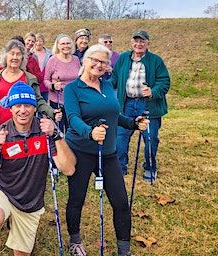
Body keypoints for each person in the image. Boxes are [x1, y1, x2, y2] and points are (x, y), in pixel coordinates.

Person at [63, 44, 149, 256]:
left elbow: (113, 114)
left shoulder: (108, 85)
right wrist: (90, 132)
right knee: (77, 199)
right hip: (81, 151)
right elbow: (72, 118)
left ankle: (124, 250)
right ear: (85, 60)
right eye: (95, 60)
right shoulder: (72, 89)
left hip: (108, 153)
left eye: (104, 62)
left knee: (121, 202)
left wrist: (133, 123)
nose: (99, 65)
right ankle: (75, 241)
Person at [0, 81, 61, 256]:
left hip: (30, 200)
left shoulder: (45, 131)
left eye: (27, 105)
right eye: (17, 105)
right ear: (10, 108)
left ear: (34, 108)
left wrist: (56, 134)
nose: (22, 110)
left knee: (21, 253)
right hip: (2, 190)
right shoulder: (0, 133)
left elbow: (68, 168)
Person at [112, 30, 170, 180]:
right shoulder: (124, 57)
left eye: (142, 41)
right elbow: (115, 78)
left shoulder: (155, 60)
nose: (139, 44)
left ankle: (150, 168)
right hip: (126, 104)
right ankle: (120, 167)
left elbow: (164, 82)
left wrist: (152, 91)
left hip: (147, 105)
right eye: (136, 41)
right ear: (132, 43)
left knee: (150, 137)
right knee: (121, 137)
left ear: (147, 43)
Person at [0, 39, 61, 130]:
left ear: (22, 58)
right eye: (12, 53)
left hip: (24, 128)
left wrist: (52, 112)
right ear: (5, 56)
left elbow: (38, 101)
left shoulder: (30, 79)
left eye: (18, 54)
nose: (15, 57)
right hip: (0, 128)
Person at [44, 34, 80, 132]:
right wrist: (53, 86)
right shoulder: (53, 60)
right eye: (62, 44)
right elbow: (46, 80)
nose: (65, 46)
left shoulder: (76, 59)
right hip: (57, 101)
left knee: (72, 129)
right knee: (58, 130)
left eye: (68, 43)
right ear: (58, 46)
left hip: (73, 100)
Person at [12, 34, 45, 100]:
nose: (30, 43)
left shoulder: (33, 58)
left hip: (28, 89)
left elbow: (39, 77)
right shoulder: (9, 58)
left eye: (33, 41)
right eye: (29, 40)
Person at [32, 33, 52, 101]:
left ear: (43, 42)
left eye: (40, 41)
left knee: (44, 104)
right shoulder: (30, 53)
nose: (38, 43)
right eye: (36, 41)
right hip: (33, 83)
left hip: (45, 84)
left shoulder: (50, 54)